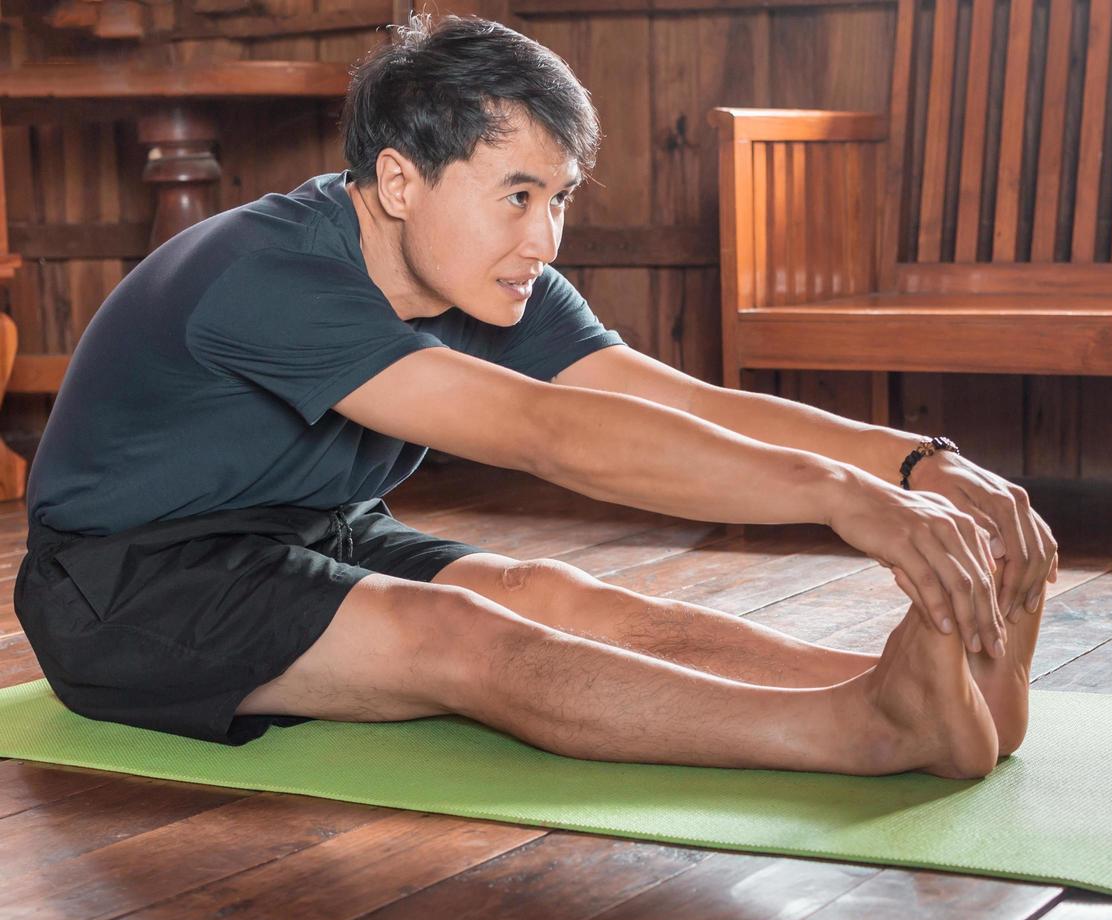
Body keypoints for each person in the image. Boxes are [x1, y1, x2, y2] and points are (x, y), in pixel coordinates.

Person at [14, 14, 1057, 779]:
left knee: (551, 594)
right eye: (517, 195)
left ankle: (922, 689)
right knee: (463, 635)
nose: (543, 237)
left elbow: (677, 402)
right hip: (125, 586)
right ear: (399, 180)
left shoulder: (493, 278)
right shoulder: (266, 274)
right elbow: (548, 433)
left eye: (557, 199)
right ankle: (869, 729)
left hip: (310, 527)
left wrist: (915, 464)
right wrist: (841, 497)